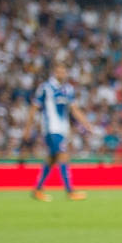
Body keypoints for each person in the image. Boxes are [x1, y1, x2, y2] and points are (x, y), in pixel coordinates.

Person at [22, 58, 94, 201]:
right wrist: (28, 128)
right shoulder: (45, 88)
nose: (61, 73)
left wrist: (87, 124)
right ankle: (70, 191)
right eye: (58, 71)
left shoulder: (68, 89)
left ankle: (37, 189)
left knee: (52, 158)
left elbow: (74, 109)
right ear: (54, 72)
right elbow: (34, 108)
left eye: (63, 71)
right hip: (51, 128)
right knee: (63, 155)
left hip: (62, 129)